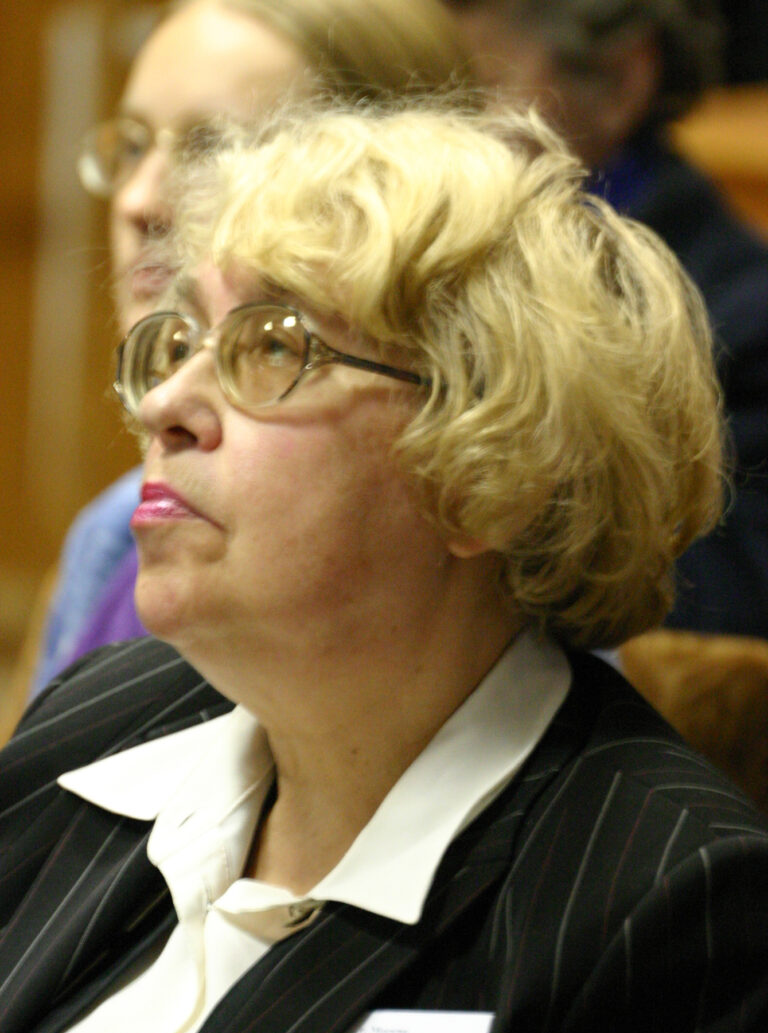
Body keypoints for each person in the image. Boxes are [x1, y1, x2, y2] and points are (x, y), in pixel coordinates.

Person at [2, 97, 767, 1033]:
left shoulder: (664, 910)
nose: (165, 401)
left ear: (491, 472)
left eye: (273, 346)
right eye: (177, 340)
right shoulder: (102, 719)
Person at [27, 0, 473, 698]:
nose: (138, 201)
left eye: (213, 151)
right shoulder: (112, 535)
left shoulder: (498, 612)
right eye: (134, 146)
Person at [442, 0, 768, 640]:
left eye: (470, 92)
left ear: (620, 80)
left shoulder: (745, 321)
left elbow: (724, 611)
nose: (430, 130)